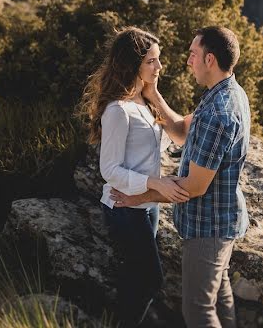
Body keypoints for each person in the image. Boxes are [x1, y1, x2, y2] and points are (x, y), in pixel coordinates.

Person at [111, 26, 251, 328]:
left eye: (193, 54)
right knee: (220, 297)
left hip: (208, 226)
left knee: (198, 311)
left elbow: (194, 187)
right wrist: (153, 95)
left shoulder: (219, 113)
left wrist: (140, 195)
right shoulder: (225, 93)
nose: (188, 61)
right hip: (222, 220)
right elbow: (182, 133)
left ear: (209, 59)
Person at [80, 27, 191, 327]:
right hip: (124, 208)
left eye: (158, 59)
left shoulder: (145, 101)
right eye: (151, 61)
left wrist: (154, 93)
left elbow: (179, 138)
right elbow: (110, 169)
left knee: (134, 278)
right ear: (133, 65)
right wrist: (157, 183)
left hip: (147, 207)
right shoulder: (118, 110)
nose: (159, 66)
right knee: (150, 279)